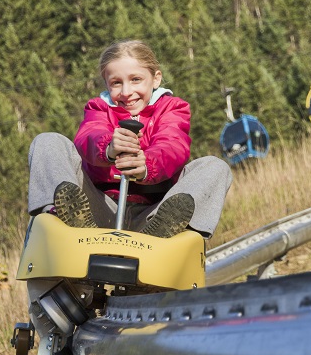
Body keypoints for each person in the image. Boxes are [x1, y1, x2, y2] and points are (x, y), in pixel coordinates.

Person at [27, 39, 232, 238]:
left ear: (156, 79)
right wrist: (108, 148)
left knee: (215, 167)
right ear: (107, 84)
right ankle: (62, 216)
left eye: (136, 80)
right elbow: (89, 135)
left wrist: (146, 166)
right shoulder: (98, 107)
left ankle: (168, 228)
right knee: (48, 141)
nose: (126, 92)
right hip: (98, 209)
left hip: (153, 213)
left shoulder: (172, 107)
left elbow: (173, 145)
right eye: (116, 83)